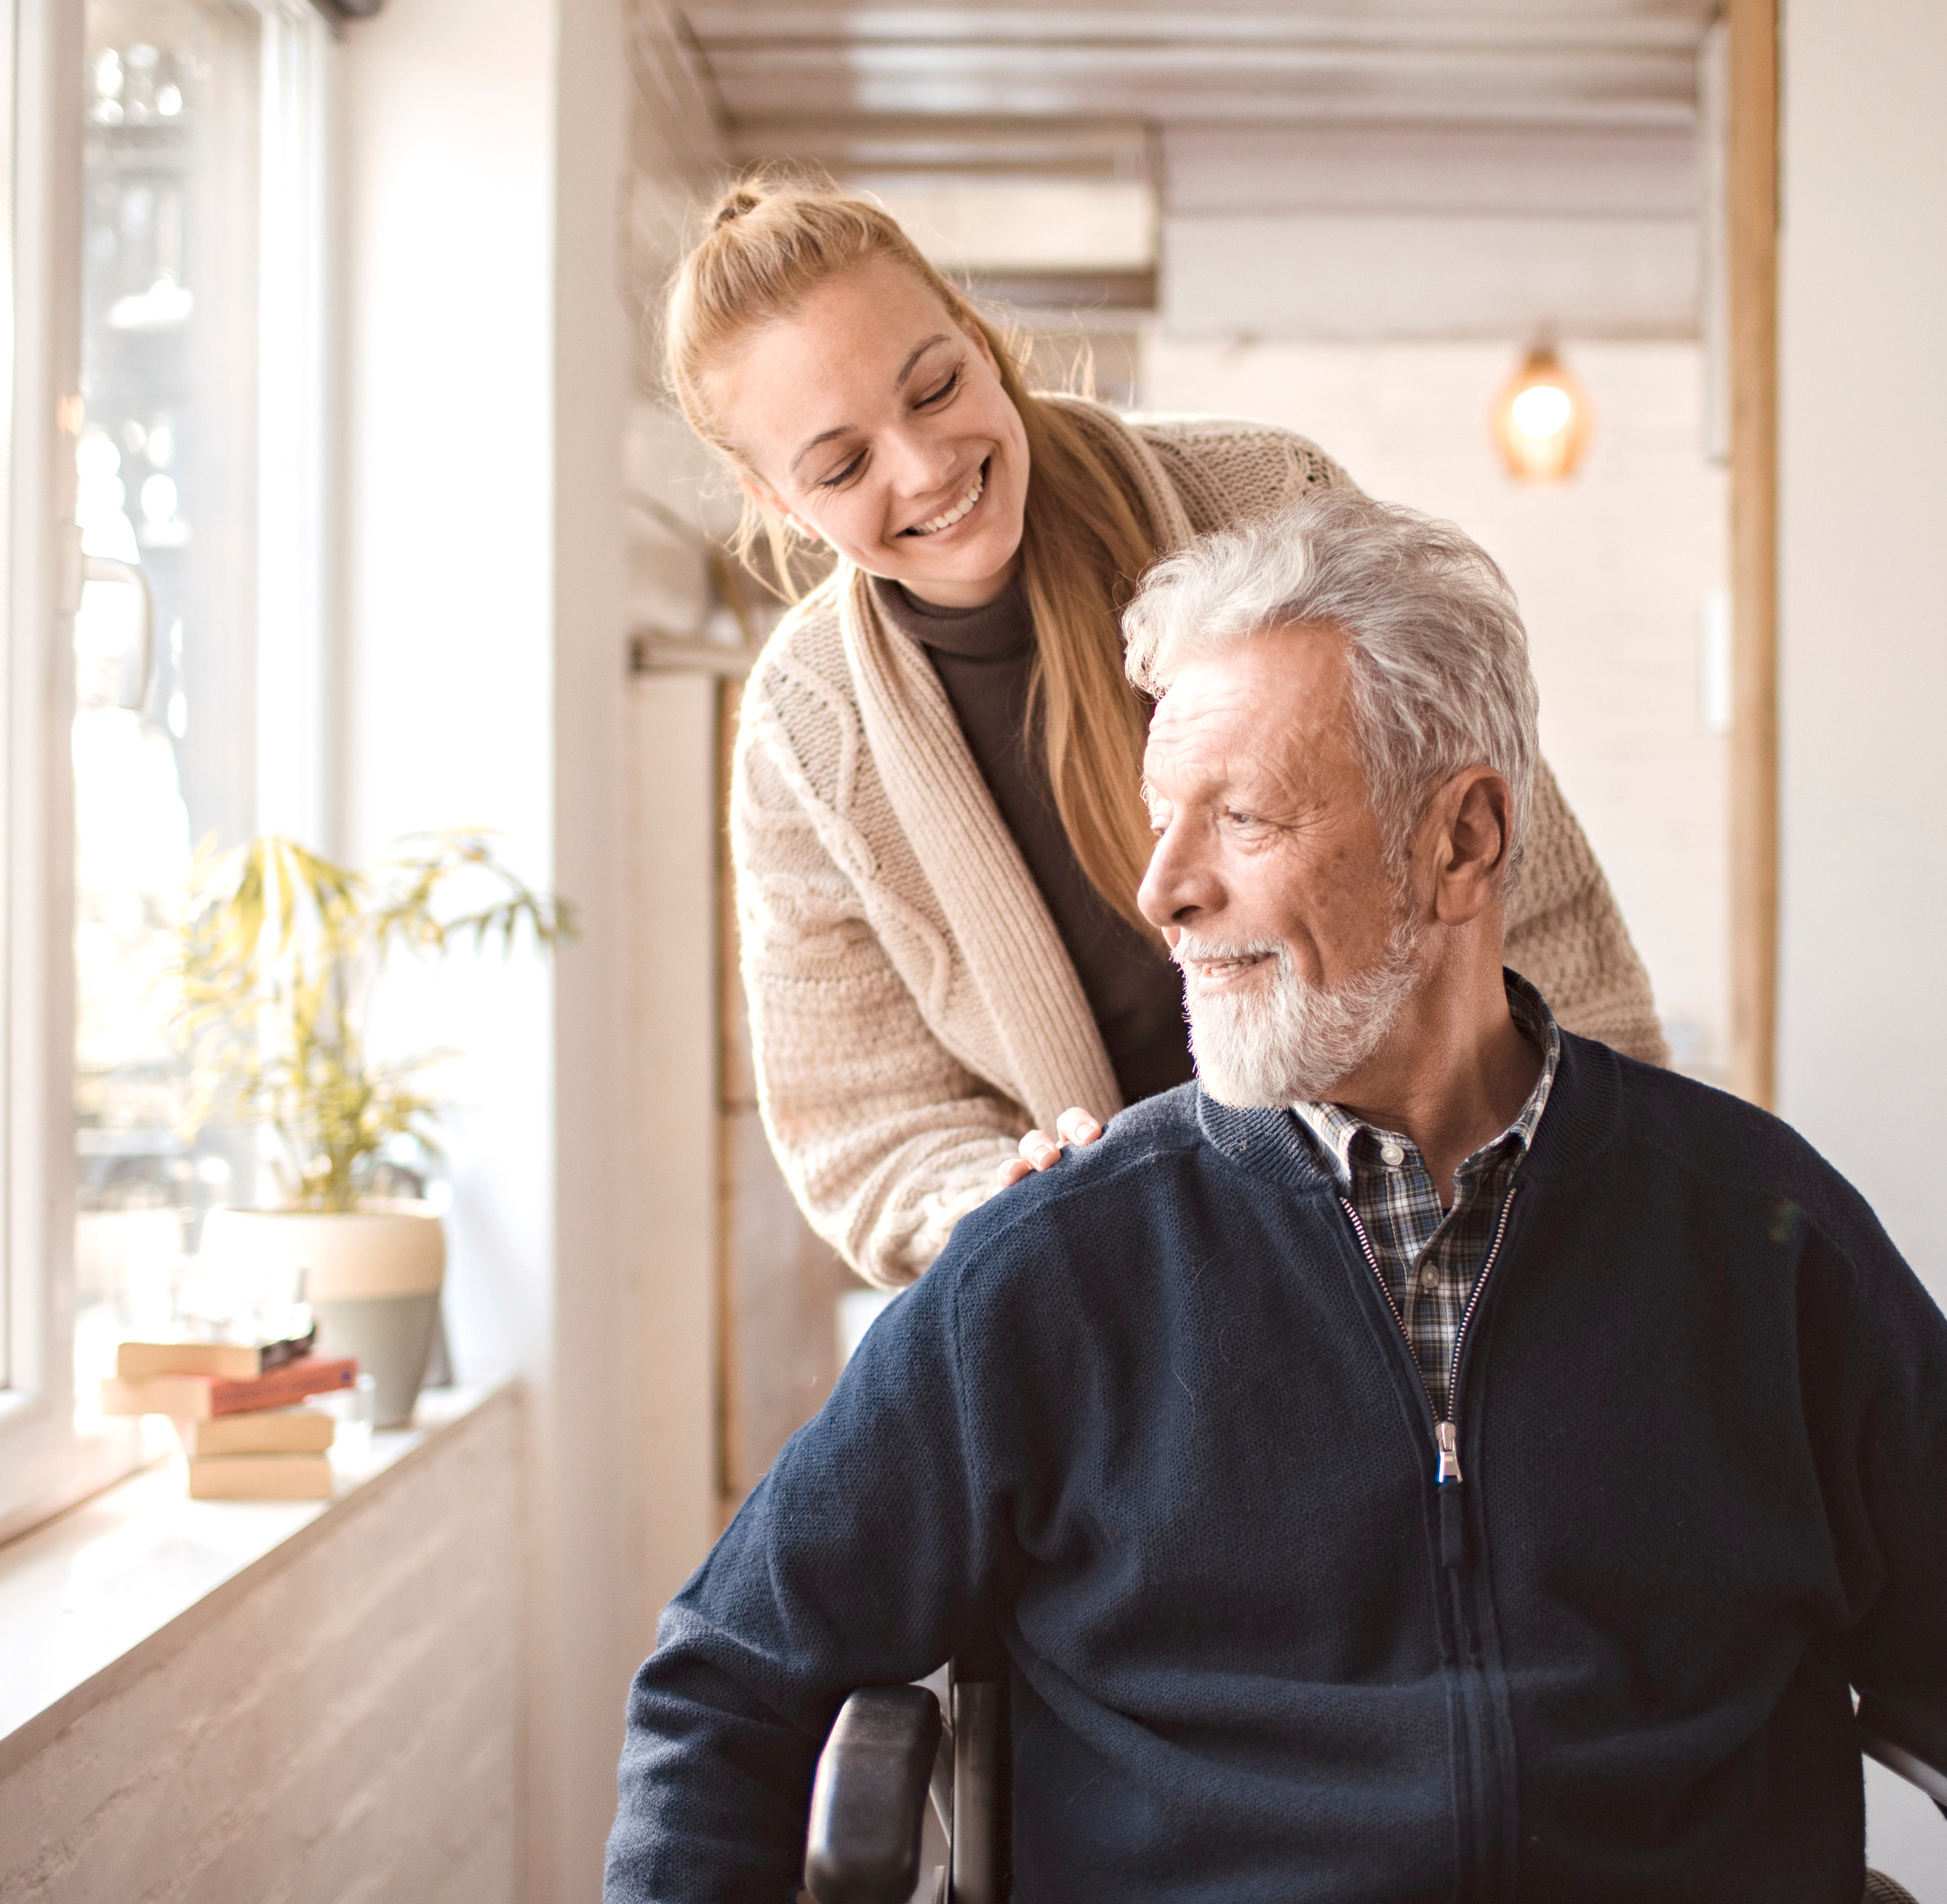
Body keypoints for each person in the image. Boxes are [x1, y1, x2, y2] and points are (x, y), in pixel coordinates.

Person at [583, 493, 1947, 1904]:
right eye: (1159, 823)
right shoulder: (1063, 1260)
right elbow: (729, 1674)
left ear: (1460, 839)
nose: (1161, 888)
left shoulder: (1752, 1228)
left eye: (1237, 818)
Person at [666, 179, 1665, 1288]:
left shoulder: (1268, 497)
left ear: (977, 332)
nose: (924, 466)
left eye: (936, 387)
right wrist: (996, 1195)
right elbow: (867, 1126)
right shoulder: (803, 736)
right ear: (776, 499)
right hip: (1139, 1300)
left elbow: (1519, 883)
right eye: (842, 465)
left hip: (1449, 1218)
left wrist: (1614, 1177)